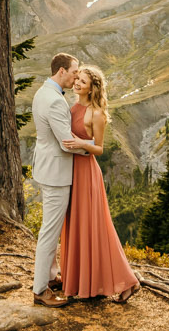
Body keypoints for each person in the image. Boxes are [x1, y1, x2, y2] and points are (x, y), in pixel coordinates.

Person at [55, 64, 140, 303]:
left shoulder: (96, 113)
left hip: (87, 174)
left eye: (82, 81)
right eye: (77, 79)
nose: (77, 83)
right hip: (71, 172)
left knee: (96, 227)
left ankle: (128, 282)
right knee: (75, 224)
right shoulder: (72, 107)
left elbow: (100, 149)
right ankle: (80, 281)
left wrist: (81, 143)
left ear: (92, 88)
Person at [30, 52, 91, 307]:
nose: (77, 76)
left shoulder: (43, 92)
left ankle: (52, 276)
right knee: (50, 232)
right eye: (75, 71)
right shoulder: (55, 101)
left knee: (51, 228)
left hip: (46, 168)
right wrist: (89, 147)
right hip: (56, 173)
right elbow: (67, 144)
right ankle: (40, 290)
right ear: (62, 71)